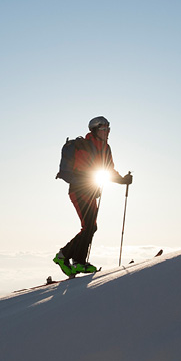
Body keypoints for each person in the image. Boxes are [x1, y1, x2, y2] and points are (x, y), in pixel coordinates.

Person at [54, 116, 132, 276]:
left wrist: (123, 180)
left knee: (91, 226)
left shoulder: (105, 148)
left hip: (90, 191)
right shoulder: (85, 146)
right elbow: (83, 169)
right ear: (95, 130)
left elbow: (109, 170)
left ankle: (75, 260)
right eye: (104, 129)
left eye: (108, 128)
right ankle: (67, 257)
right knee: (89, 225)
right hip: (79, 189)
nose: (107, 132)